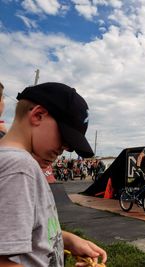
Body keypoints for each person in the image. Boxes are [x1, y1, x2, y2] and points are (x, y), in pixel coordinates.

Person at [0, 82, 107, 266]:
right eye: (65, 139)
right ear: (37, 115)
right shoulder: (20, 168)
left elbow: (19, 233)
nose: (64, 150)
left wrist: (68, 240)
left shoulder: (17, 163)